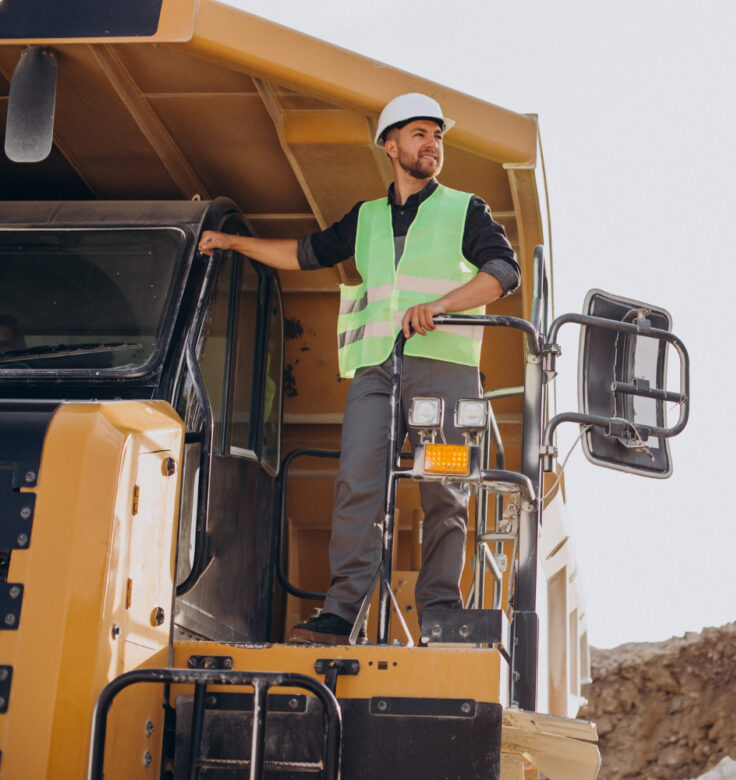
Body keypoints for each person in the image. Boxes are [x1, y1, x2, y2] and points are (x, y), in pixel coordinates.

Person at [198, 93, 520, 645]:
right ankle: (342, 614)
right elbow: (306, 252)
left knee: (445, 488)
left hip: (443, 369)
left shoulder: (466, 209)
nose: (432, 145)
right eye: (420, 134)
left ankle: (441, 612)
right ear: (391, 146)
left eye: (438, 136)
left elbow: (503, 272)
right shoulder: (367, 218)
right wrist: (232, 242)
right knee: (358, 485)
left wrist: (440, 306)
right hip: (376, 371)